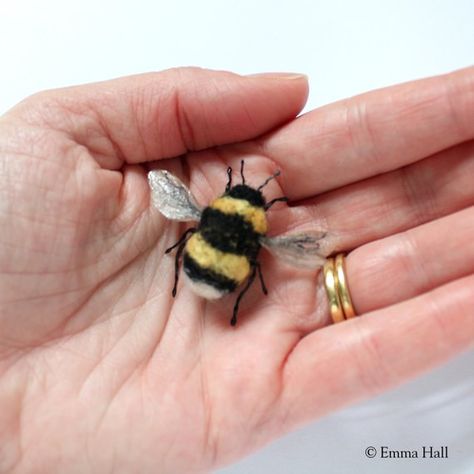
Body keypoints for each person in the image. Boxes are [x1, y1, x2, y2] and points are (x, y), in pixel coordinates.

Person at [0, 66, 472, 473]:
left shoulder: (203, 212)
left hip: (207, 268)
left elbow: (188, 220)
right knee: (250, 269)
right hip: (220, 273)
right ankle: (231, 293)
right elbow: (260, 255)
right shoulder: (258, 232)